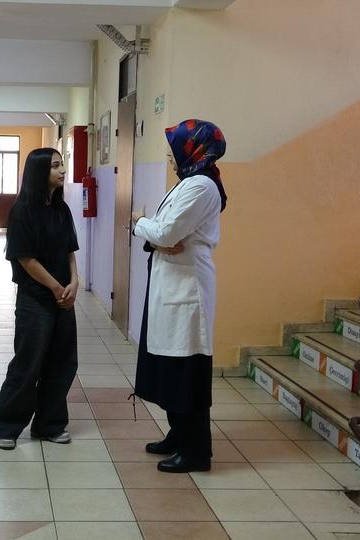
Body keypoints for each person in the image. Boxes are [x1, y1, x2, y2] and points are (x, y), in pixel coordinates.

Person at [130, 119, 227, 473]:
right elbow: (164, 235)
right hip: (170, 282)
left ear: (195, 149)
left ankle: (196, 452)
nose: (169, 157)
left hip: (188, 288)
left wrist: (140, 222)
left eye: (173, 150)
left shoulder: (201, 186)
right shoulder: (189, 181)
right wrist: (156, 234)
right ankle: (178, 434)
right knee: (169, 366)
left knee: (187, 370)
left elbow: (166, 232)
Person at [0, 148, 80, 450]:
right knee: (28, 363)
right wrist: (56, 288)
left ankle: (49, 425)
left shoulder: (61, 209)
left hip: (63, 297)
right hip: (36, 299)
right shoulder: (23, 211)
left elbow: (70, 251)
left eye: (62, 164)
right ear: (39, 171)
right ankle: (5, 427)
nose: (62, 170)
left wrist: (75, 283)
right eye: (55, 166)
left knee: (62, 362)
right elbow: (25, 259)